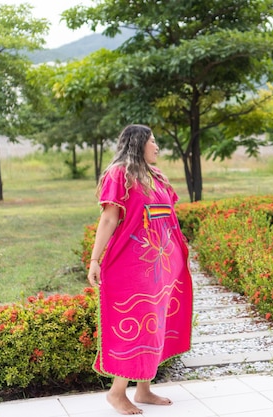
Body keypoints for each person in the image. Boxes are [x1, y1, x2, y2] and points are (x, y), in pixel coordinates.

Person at [87, 124, 193, 415]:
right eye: (153, 141)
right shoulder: (119, 175)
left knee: (157, 324)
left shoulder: (156, 175)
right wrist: (95, 260)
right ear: (138, 143)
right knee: (139, 323)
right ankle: (117, 392)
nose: (157, 147)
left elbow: (167, 219)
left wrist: (179, 253)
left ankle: (144, 389)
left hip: (161, 266)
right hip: (132, 266)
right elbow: (109, 220)